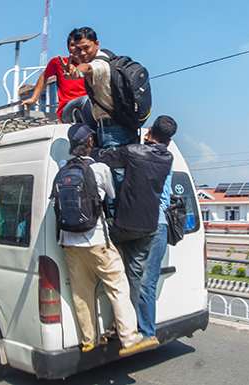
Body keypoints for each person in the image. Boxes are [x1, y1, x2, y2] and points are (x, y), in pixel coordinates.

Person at [59, 123, 158, 356]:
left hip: (69, 242)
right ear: (90, 143)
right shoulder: (100, 169)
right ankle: (129, 338)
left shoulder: (62, 168)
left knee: (81, 293)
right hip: (96, 240)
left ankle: (89, 340)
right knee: (118, 286)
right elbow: (112, 195)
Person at [93, 116, 176, 312]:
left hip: (127, 226)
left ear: (150, 130)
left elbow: (105, 157)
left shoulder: (133, 152)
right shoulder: (168, 158)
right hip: (150, 227)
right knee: (136, 274)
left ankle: (123, 317)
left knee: (100, 235)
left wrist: (92, 147)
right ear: (169, 142)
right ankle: (132, 320)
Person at [59, 27, 138, 151]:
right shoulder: (109, 57)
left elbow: (89, 68)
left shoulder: (100, 64)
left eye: (86, 48)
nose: (82, 53)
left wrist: (76, 72)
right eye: (78, 49)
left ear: (97, 44)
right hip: (128, 127)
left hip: (112, 132)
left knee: (114, 170)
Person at [21, 30, 96, 127]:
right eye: (73, 45)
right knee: (85, 101)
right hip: (67, 110)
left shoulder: (93, 65)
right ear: (68, 47)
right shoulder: (58, 63)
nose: (76, 49)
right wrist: (33, 99)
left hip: (90, 108)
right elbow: (44, 76)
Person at [136, 157, 172, 340]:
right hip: (155, 224)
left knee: (146, 282)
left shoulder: (157, 161)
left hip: (154, 224)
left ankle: (147, 333)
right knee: (139, 279)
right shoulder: (167, 160)